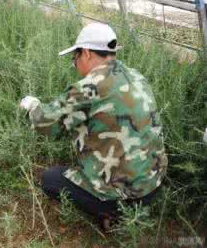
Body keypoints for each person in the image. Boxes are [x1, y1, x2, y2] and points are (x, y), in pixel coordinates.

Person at [19, 23, 167, 229]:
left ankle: (112, 214)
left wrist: (32, 106)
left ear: (87, 53)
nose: (75, 64)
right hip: (153, 186)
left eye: (75, 58)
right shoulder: (136, 75)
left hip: (122, 196)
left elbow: (46, 124)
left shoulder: (91, 86)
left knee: (50, 179)